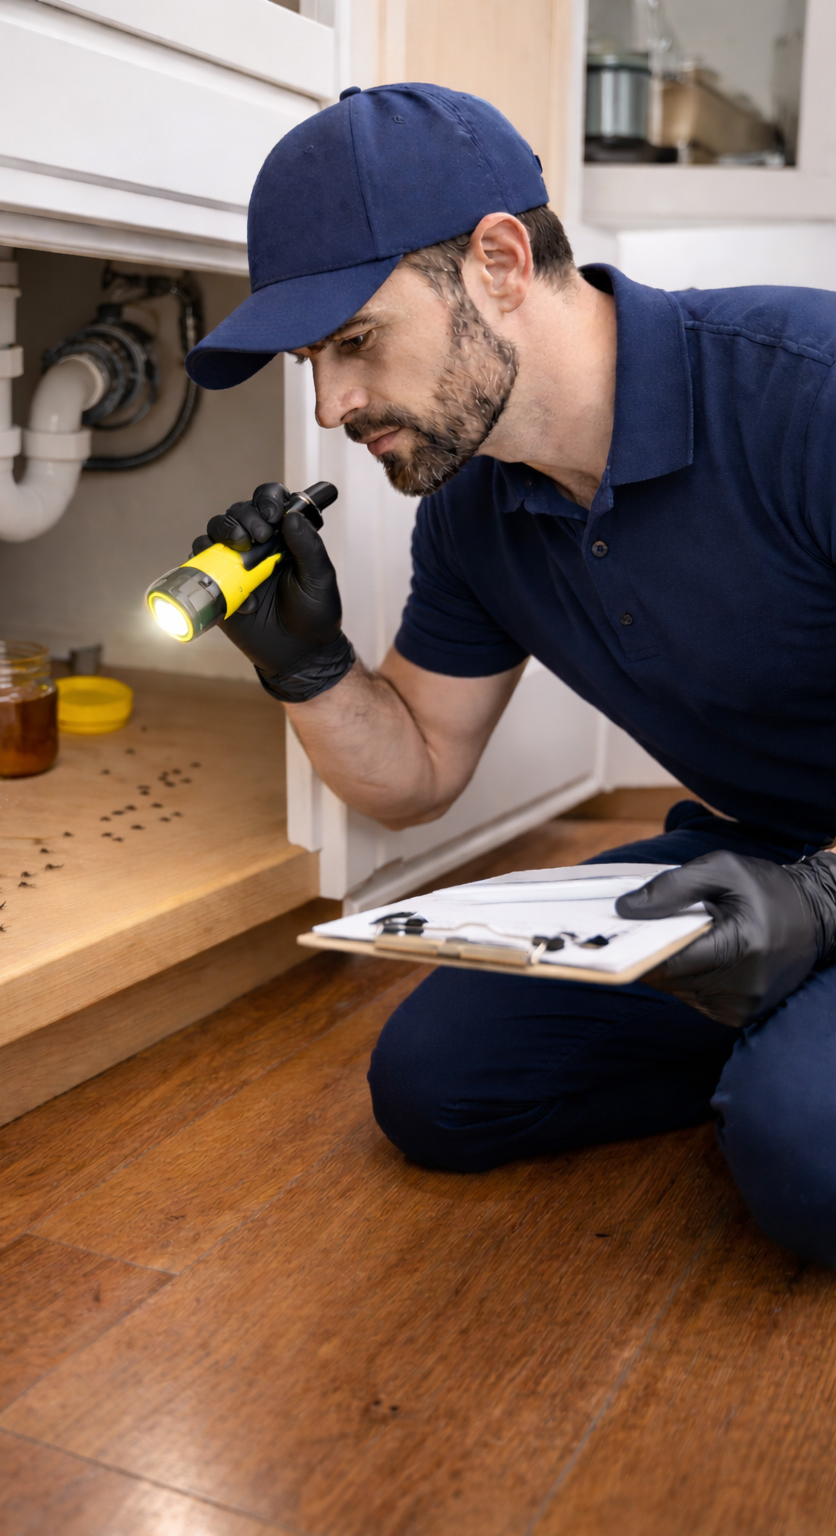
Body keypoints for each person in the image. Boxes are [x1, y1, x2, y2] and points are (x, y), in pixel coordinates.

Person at [184, 83, 836, 1266]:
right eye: (308, 362)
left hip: (814, 877)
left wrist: (825, 905)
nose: (332, 406)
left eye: (355, 343)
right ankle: (789, 1032)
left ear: (495, 260)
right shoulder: (479, 512)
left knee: (810, 1158)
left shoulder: (808, 389)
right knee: (441, 1084)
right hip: (765, 855)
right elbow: (414, 777)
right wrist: (309, 665)